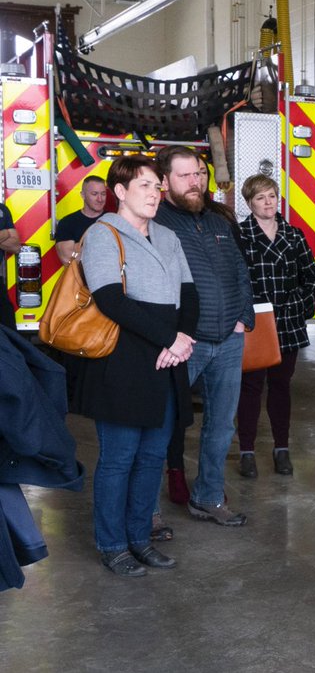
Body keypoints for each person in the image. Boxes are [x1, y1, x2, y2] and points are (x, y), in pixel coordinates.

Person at [71, 155, 197, 576]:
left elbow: (189, 295)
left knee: (151, 457)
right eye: (144, 186)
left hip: (167, 361)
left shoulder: (167, 235)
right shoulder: (102, 234)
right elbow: (111, 300)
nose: (154, 193)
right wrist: (170, 338)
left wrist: (181, 342)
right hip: (124, 362)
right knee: (119, 458)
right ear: (120, 192)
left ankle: (140, 539)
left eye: (157, 186)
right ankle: (112, 544)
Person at [155, 145, 254, 527]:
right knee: (161, 424)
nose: (196, 181)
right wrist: (172, 334)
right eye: (185, 175)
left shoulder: (217, 221)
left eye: (199, 173)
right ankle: (146, 510)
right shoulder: (158, 223)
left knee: (221, 425)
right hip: (184, 343)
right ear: (164, 182)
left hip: (228, 340)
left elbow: (241, 272)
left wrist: (243, 318)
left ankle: (208, 497)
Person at [236, 174, 315, 479]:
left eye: (272, 195)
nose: (268, 202)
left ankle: (281, 449)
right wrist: (247, 312)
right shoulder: (240, 235)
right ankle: (246, 451)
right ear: (249, 203)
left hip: (287, 324)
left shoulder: (294, 235)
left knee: (281, 388)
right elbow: (233, 281)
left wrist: (298, 306)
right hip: (254, 325)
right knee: (249, 389)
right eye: (260, 197)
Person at [53, 175, 109, 264]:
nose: (100, 199)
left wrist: (78, 247)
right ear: (82, 195)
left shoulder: (113, 220)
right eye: (94, 194)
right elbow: (67, 258)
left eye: (103, 194)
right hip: (79, 277)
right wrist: (105, 247)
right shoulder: (67, 223)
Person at [0, 200, 17, 330]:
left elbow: (16, 246)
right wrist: (5, 233)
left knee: (9, 328)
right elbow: (9, 237)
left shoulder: (2, 210)